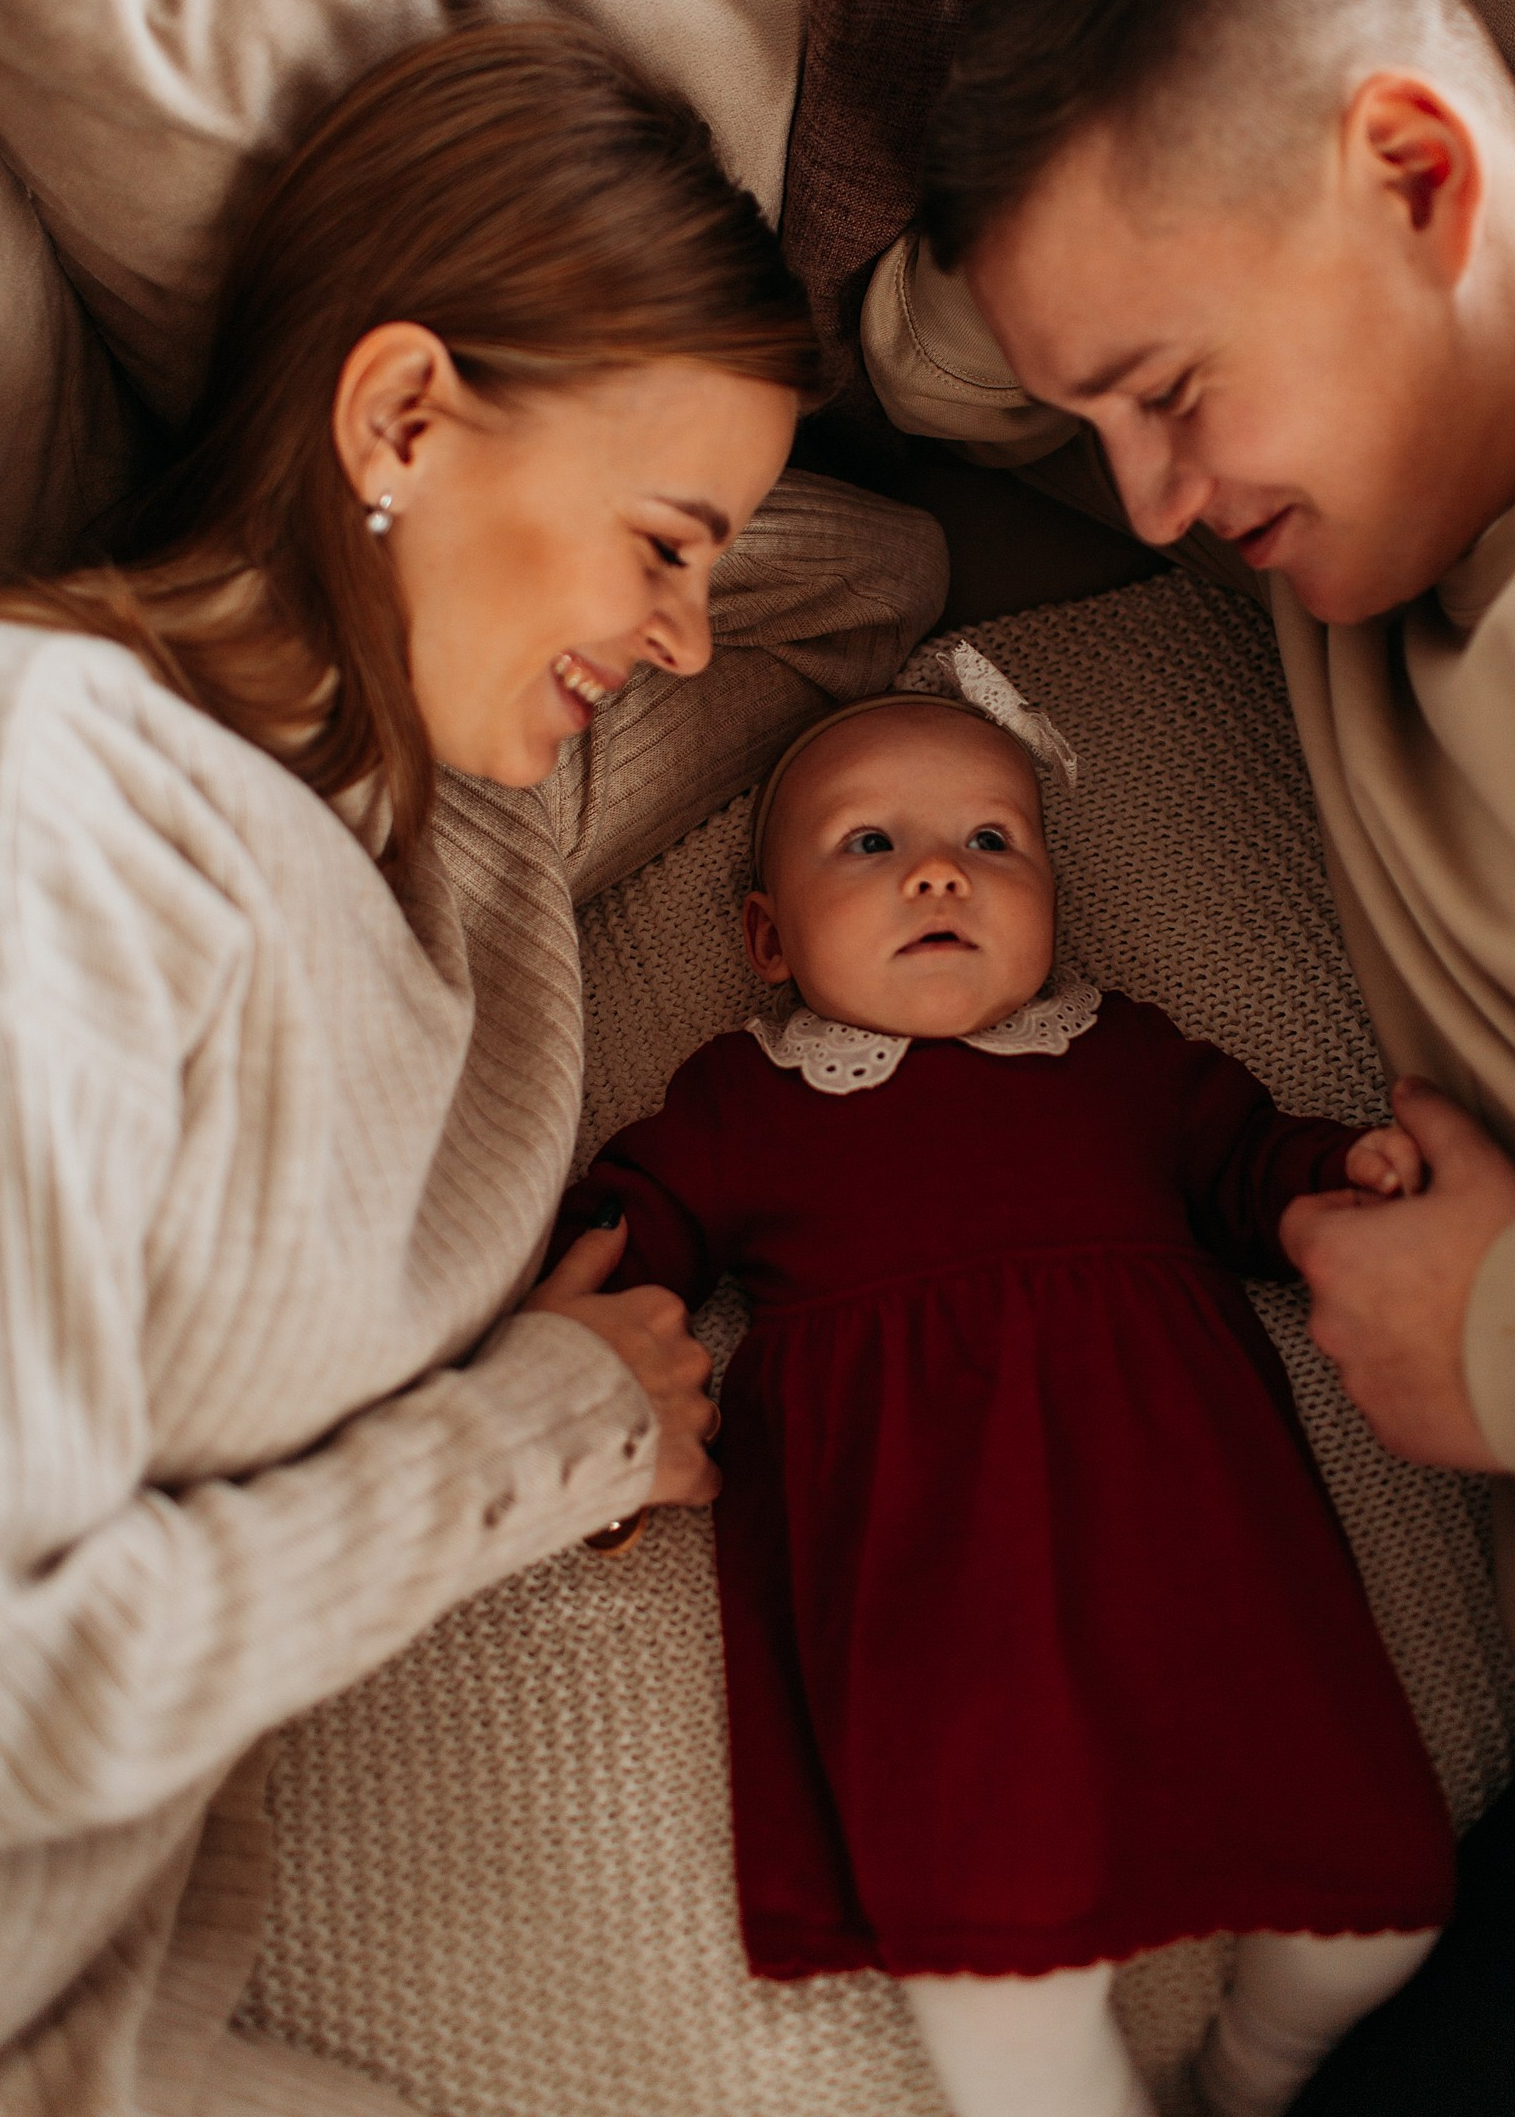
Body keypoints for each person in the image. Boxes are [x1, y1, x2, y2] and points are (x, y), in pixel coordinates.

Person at [0, 15, 946, 2117]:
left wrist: (652, 486)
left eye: (703, 558)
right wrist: (545, 1434)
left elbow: (878, 586)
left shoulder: (474, 825)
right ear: (404, 409)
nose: (686, 632)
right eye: (663, 545)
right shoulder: (57, 810)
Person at [859, 0, 1515, 2108]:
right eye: (1097, 418)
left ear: (1413, 173)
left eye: (1168, 394)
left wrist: (1510, 1337)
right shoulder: (1369, 458)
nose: (1140, 503)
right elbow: (932, 352)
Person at [553, 669, 1454, 2117]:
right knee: (997, 1957)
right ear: (767, 940)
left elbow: (1246, 1164)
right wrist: (561, 1328)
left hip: (1192, 1535)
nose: (937, 872)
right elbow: (626, 1234)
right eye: (870, 844)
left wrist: (1331, 1183)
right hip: (935, 1572)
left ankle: (1250, 2075)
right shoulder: (747, 1103)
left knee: (1377, 1904)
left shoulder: (1122, 1059)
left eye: (991, 840)